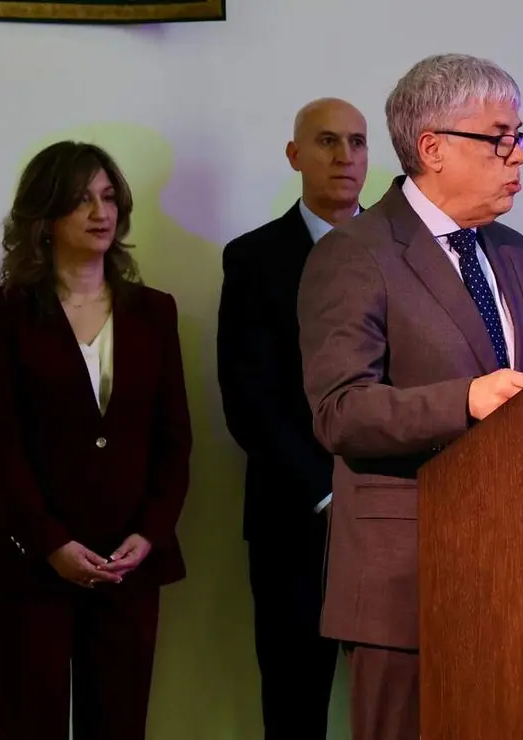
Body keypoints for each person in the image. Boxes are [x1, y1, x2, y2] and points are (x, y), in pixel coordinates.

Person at [297, 53, 523, 740]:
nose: (519, 158)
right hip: (403, 579)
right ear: (433, 148)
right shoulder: (355, 252)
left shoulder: (517, 251)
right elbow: (340, 411)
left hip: (518, 571)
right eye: (501, 138)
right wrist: (465, 399)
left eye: (519, 137)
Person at [0, 141, 192, 740]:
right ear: (45, 217)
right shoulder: (0, 313)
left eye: (109, 197)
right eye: (82, 199)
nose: (101, 212)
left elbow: (174, 442)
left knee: (117, 725)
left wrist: (150, 533)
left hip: (129, 566)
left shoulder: (154, 312)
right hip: (27, 565)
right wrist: (51, 544)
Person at [217, 97, 368, 739]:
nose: (345, 157)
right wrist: (327, 492)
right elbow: (250, 398)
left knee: (402, 704)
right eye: (328, 142)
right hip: (294, 520)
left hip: (397, 519)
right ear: (295, 155)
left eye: (357, 143)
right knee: (293, 706)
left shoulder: (404, 250)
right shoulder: (254, 259)